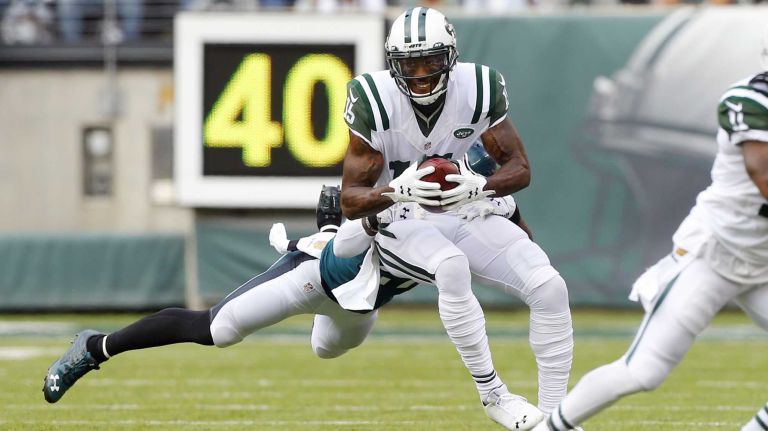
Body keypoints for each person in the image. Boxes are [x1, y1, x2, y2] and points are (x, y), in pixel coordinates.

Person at [42, 185, 540, 430]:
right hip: (312, 276)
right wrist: (379, 211)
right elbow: (351, 232)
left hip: (357, 307)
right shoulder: (397, 201)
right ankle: (95, 347)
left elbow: (510, 239)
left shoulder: (467, 216)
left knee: (326, 350)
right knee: (218, 330)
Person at [339, 7, 574, 429]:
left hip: (464, 206)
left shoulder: (480, 86)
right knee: (451, 268)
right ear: (393, 64)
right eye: (410, 63)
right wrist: (396, 189)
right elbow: (350, 201)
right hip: (400, 214)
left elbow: (520, 168)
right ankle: (493, 394)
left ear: (451, 56)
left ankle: (557, 419)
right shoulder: (373, 98)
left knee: (551, 287)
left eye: (431, 60)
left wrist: (480, 187)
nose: (422, 73)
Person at [530, 47, 768, 431]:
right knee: (642, 371)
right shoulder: (751, 99)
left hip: (764, 260)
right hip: (714, 253)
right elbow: (763, 172)